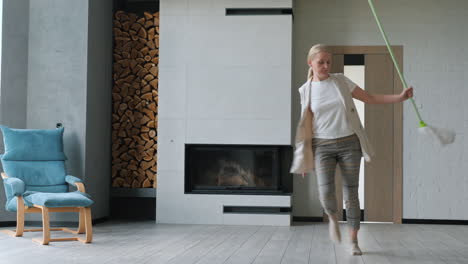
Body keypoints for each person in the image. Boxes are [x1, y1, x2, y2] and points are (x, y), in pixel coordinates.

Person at [290, 44, 413, 256]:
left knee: (351, 193)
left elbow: (371, 98)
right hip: (322, 146)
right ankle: (331, 217)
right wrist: (303, 158)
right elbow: (305, 125)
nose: (326, 66)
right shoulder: (306, 90)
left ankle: (354, 241)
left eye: (329, 62)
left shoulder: (341, 81)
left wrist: (400, 97)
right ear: (310, 63)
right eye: (321, 62)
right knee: (326, 193)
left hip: (349, 144)